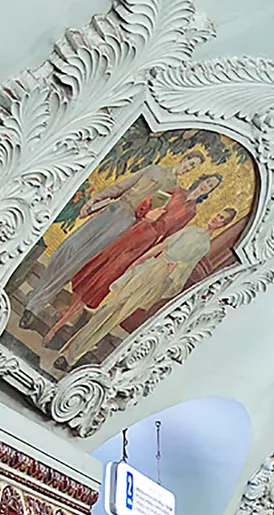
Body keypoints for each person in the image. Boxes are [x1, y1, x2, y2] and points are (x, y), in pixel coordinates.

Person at [20, 152, 205, 324]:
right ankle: (37, 294)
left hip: (125, 221)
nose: (188, 168)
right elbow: (122, 186)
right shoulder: (154, 169)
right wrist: (96, 199)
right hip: (112, 209)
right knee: (68, 247)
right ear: (184, 158)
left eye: (193, 167)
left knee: (79, 260)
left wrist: (144, 219)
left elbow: (147, 211)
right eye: (190, 163)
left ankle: (35, 305)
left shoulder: (171, 188)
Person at [53, 207, 237, 371]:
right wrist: (139, 261)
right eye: (218, 215)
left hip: (161, 279)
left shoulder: (204, 246)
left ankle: (72, 357)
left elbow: (186, 269)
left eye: (222, 219)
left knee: (116, 317)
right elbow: (162, 246)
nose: (216, 219)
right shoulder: (190, 230)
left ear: (223, 225)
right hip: (151, 268)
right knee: (109, 308)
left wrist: (176, 269)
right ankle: (69, 350)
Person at [45, 174, 222, 339]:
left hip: (147, 242)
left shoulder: (191, 211)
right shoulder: (175, 192)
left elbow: (171, 234)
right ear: (201, 180)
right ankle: (68, 311)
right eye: (207, 182)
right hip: (136, 230)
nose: (206, 186)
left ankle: (67, 317)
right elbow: (149, 202)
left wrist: (153, 253)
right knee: (101, 264)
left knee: (109, 275)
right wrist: (147, 213)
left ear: (209, 192)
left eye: (211, 186)